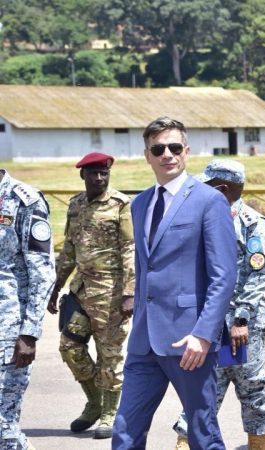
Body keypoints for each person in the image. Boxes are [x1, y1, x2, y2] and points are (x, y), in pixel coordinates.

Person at [112, 117, 237, 449]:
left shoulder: (209, 201)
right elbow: (144, 269)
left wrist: (204, 334)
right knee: (124, 431)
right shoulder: (139, 204)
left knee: (201, 431)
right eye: (158, 148)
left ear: (186, 152)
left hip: (189, 341)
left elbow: (223, 276)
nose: (167, 154)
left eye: (174, 147)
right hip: (143, 342)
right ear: (147, 155)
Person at [173, 160, 265, 450]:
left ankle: (257, 444)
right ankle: (185, 440)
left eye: (207, 186)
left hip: (242, 327)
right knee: (202, 385)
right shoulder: (202, 219)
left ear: (222, 188)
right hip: (207, 323)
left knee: (251, 386)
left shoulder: (252, 224)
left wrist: (240, 320)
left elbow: (257, 276)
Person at [46, 152, 133, 439]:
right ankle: (95, 401)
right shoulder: (75, 205)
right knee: (69, 347)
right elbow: (69, 249)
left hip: (112, 294)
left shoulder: (120, 205)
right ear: (82, 175)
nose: (99, 178)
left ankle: (110, 413)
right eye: (93, 173)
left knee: (110, 355)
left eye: (103, 173)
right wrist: (57, 286)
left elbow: (130, 250)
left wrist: (130, 293)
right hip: (82, 292)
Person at [0, 170, 55, 450]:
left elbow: (43, 272)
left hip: (8, 331)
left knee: (3, 428)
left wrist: (29, 333)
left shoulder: (24, 201)